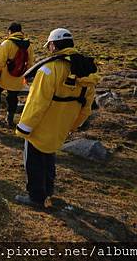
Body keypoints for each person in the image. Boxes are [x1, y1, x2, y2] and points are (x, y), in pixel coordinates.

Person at [15, 28, 99, 208]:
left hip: (40, 126)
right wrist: (72, 126)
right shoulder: (87, 71)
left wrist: (24, 127)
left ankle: (36, 197)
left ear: (53, 45)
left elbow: (37, 103)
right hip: (62, 126)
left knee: (34, 161)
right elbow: (86, 107)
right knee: (49, 157)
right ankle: (48, 191)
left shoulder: (49, 69)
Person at [0, 22, 35, 127]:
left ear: (10, 31)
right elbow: (30, 63)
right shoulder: (29, 45)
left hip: (5, 77)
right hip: (18, 77)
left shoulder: (7, 43)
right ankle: (9, 119)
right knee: (13, 98)